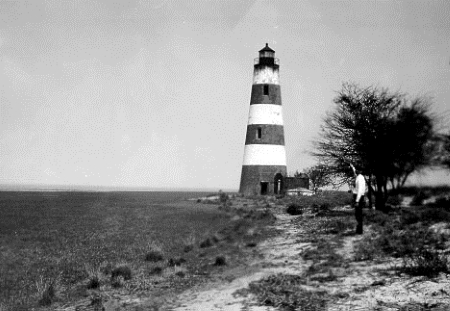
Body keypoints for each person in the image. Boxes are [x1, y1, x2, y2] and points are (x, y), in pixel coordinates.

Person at [350, 164, 366, 234]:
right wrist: (352, 166)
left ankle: (359, 231)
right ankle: (359, 230)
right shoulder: (359, 177)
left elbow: (359, 190)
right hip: (358, 196)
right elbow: (354, 172)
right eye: (356, 169)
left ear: (361, 171)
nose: (356, 170)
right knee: (357, 214)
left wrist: (357, 201)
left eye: (358, 169)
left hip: (358, 197)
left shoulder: (360, 178)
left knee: (358, 215)